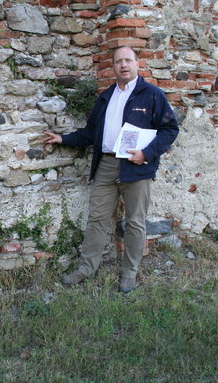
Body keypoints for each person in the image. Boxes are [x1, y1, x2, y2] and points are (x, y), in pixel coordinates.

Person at [43, 46, 179, 293]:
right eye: (118, 61)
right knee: (96, 219)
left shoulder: (152, 94)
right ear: (114, 67)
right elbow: (90, 133)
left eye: (128, 60)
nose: (123, 65)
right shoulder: (106, 97)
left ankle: (129, 273)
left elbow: (170, 130)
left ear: (137, 64)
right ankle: (86, 269)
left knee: (136, 222)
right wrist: (63, 139)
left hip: (137, 168)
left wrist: (146, 153)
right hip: (106, 165)